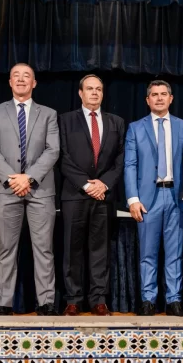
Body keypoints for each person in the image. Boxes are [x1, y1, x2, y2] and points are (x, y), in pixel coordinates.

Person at [0, 63, 60, 316]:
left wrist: (29, 177)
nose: (21, 79)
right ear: (9, 82)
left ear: (34, 83)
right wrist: (12, 179)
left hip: (40, 190)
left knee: (44, 249)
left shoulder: (48, 113)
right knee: (7, 249)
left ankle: (46, 302)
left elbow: (53, 150)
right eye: (15, 75)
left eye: (26, 76)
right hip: (7, 190)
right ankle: (4, 303)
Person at [59, 74, 125, 316]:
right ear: (80, 93)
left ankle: (98, 299)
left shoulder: (116, 122)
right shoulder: (65, 120)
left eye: (98, 89)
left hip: (103, 196)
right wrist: (86, 185)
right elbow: (62, 157)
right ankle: (73, 300)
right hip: (75, 194)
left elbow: (121, 158)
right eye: (90, 89)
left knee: (100, 250)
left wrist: (104, 184)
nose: (95, 93)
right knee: (72, 250)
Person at [124, 80, 183, 317]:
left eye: (164, 94)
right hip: (147, 198)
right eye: (154, 94)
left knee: (175, 252)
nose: (159, 98)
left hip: (176, 196)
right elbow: (130, 164)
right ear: (147, 100)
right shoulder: (135, 128)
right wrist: (133, 199)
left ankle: (174, 299)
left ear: (171, 99)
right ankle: (148, 299)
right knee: (148, 253)